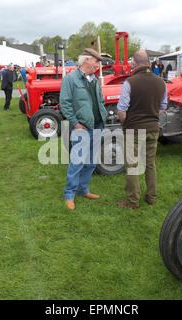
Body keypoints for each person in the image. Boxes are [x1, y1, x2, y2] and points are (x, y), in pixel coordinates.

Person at [116, 50, 167, 209]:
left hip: (134, 129)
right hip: (153, 128)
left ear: (134, 63)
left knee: (132, 164)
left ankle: (133, 202)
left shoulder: (130, 82)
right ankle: (151, 197)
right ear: (149, 63)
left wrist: (127, 122)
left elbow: (122, 111)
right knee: (150, 163)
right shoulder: (161, 82)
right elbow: (163, 107)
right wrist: (151, 115)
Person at [59, 48, 108, 211]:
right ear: (87, 60)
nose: (98, 64)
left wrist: (103, 114)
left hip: (97, 125)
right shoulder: (70, 79)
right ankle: (69, 194)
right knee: (78, 161)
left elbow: (100, 99)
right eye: (96, 61)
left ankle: (83, 189)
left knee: (91, 161)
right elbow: (65, 104)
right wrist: (75, 123)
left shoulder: (94, 80)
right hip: (82, 127)